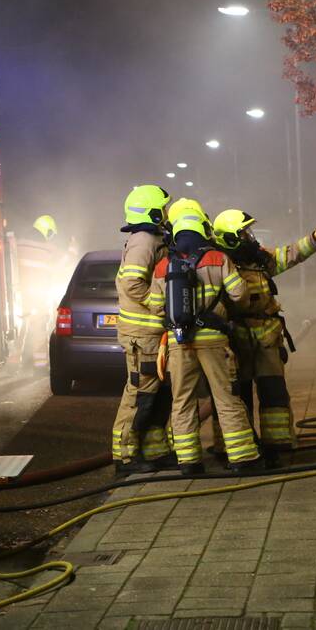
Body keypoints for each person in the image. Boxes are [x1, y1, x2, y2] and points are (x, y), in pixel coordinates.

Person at [212, 209, 316, 467]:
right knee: (237, 397)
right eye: (243, 232)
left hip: (267, 339)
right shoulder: (220, 264)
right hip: (236, 340)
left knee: (274, 393)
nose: (250, 237)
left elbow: (289, 255)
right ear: (230, 238)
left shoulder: (259, 259)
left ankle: (278, 444)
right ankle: (238, 447)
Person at [149, 201, 261, 475]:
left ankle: (188, 462)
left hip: (178, 342)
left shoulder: (164, 265)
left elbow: (155, 305)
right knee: (226, 397)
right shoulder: (218, 258)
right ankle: (242, 458)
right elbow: (239, 295)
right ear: (202, 225)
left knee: (182, 401)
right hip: (213, 339)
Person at [111, 185, 174, 474]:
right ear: (151, 211)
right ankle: (125, 458)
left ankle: (155, 452)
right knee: (140, 394)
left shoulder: (152, 238)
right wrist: (159, 304)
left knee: (159, 395)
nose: (166, 213)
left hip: (151, 334)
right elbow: (132, 283)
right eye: (163, 208)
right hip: (142, 336)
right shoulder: (143, 241)